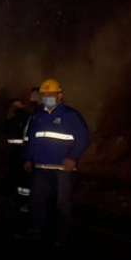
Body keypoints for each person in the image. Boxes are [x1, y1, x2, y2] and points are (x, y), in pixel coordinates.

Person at [23, 79, 90, 246]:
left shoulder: (70, 115)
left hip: (63, 169)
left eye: (51, 95)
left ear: (60, 95)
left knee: (62, 204)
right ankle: (37, 231)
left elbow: (83, 138)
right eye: (44, 95)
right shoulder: (37, 116)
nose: (47, 98)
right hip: (41, 167)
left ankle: (62, 237)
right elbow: (31, 139)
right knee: (37, 201)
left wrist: (73, 157)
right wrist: (28, 158)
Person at [3, 98, 32, 212]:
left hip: (20, 152)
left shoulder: (22, 117)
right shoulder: (15, 118)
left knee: (21, 179)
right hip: (15, 153)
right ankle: (18, 200)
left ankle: (23, 201)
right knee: (17, 178)